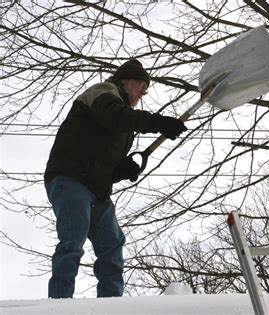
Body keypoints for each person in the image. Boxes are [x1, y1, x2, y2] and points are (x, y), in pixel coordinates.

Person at [44, 59, 187, 298]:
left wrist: (124, 169)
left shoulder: (125, 128)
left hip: (97, 188)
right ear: (124, 80)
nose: (145, 90)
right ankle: (59, 305)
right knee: (72, 240)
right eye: (141, 83)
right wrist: (157, 122)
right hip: (69, 178)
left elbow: (105, 162)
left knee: (112, 246)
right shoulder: (102, 93)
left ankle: (111, 306)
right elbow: (115, 116)